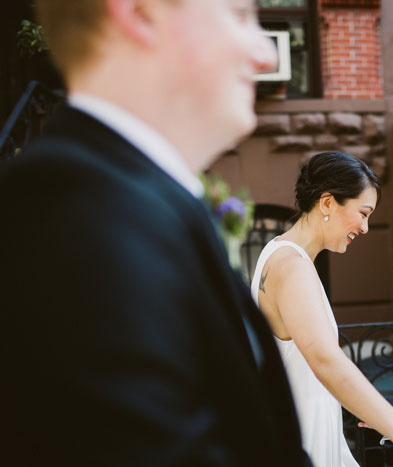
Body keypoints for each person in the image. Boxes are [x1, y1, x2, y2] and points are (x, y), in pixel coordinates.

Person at [0, 1, 311, 465]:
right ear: (140, 13)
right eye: (241, 15)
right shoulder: (76, 216)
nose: (267, 56)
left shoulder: (129, 198)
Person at [250, 152, 393, 467]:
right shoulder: (293, 267)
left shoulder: (278, 254)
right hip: (304, 438)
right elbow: (325, 359)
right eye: (363, 213)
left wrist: (369, 408)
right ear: (326, 203)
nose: (365, 227)